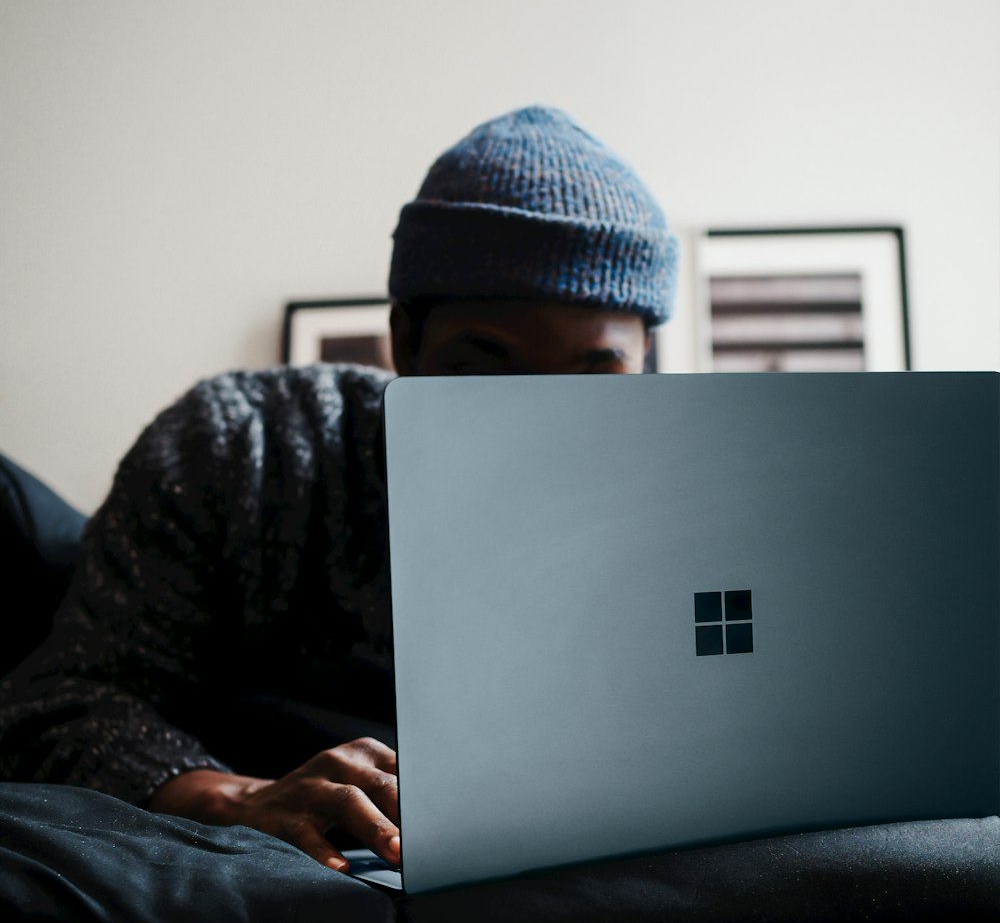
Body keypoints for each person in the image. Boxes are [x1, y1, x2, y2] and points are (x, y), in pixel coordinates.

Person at [0, 105, 679, 873]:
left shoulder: (704, 494)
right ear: (404, 339)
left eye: (595, 378)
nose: (537, 427)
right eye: (482, 371)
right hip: (287, 889)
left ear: (647, 358)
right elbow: (59, 705)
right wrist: (240, 799)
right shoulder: (237, 448)